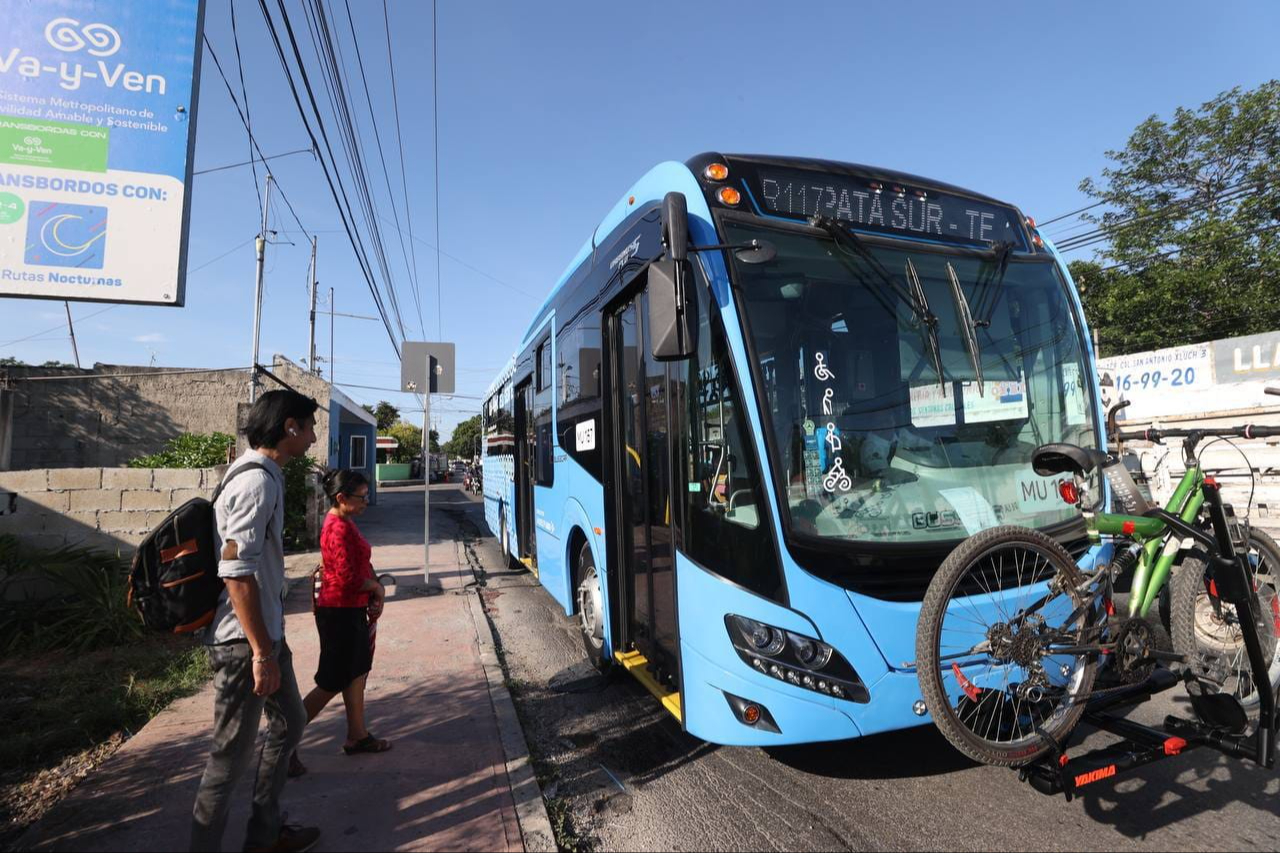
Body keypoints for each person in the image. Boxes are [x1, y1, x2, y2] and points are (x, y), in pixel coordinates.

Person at [191, 390, 321, 853]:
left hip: (265, 634)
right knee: (228, 758)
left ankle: (265, 834)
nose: (312, 437)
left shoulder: (262, 474)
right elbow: (236, 572)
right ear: (289, 427)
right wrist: (262, 652)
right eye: (308, 427)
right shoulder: (256, 483)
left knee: (291, 721)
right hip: (244, 643)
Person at [288, 468, 389, 778]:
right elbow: (347, 579)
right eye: (361, 498)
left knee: (356, 672)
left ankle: (357, 735)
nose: (365, 503)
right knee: (331, 680)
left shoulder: (344, 522)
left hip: (349, 609)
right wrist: (375, 587)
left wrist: (371, 587)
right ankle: (283, 743)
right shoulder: (337, 528)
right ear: (341, 498)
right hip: (339, 612)